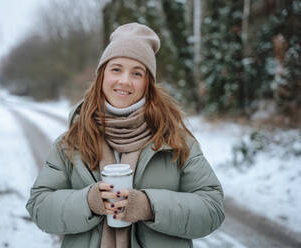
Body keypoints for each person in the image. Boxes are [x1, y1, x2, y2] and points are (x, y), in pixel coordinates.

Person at [26, 22, 224, 248]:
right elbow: (39, 206)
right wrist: (88, 202)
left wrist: (149, 206)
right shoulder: (70, 142)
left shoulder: (174, 140)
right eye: (116, 69)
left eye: (137, 73)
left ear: (147, 84)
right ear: (102, 75)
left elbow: (213, 208)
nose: (124, 81)